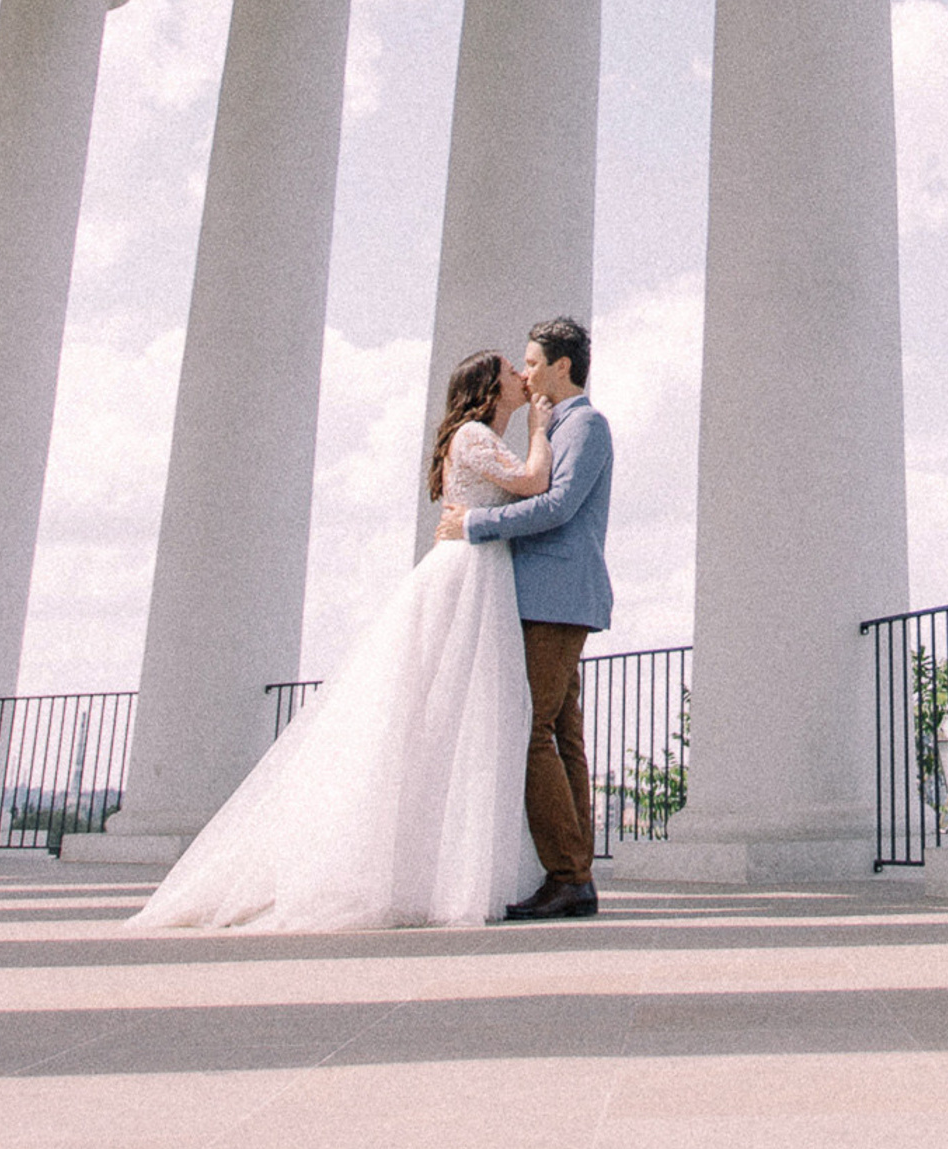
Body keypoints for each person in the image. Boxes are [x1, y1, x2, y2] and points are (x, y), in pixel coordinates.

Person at [134, 349, 549, 930]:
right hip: (465, 575)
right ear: (487, 387)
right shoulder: (475, 435)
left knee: (457, 722)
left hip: (478, 572)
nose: (520, 377)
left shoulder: (481, 436)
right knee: (444, 715)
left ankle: (437, 872)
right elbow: (534, 482)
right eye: (509, 371)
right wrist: (539, 428)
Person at [433, 315, 612, 922]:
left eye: (532, 363)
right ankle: (574, 873)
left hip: (557, 598)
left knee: (533, 729)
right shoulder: (549, 427)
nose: (526, 373)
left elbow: (557, 506)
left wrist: (474, 524)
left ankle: (569, 877)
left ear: (562, 366)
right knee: (563, 733)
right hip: (541, 597)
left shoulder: (585, 426)